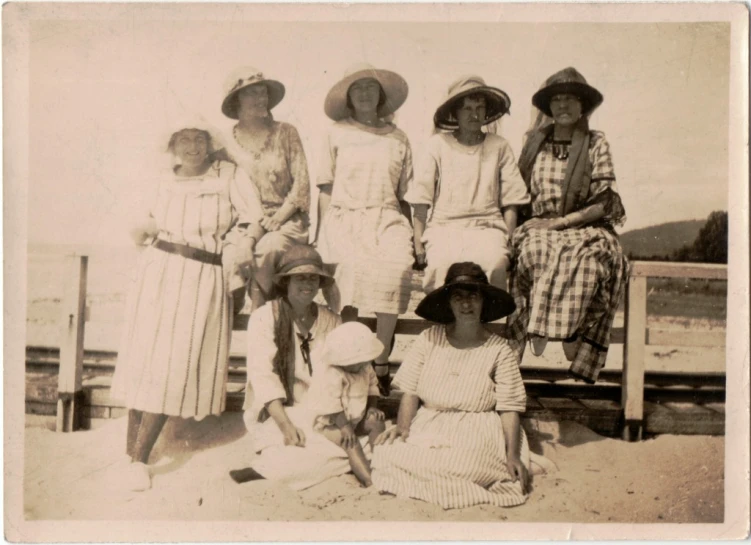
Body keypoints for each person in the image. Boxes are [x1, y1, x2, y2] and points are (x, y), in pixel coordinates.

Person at [111, 118, 260, 491]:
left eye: (199, 139)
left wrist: (242, 244)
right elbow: (141, 222)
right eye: (183, 140)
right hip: (158, 270)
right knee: (143, 360)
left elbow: (254, 219)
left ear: (211, 143)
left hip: (202, 277)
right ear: (172, 145)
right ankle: (134, 458)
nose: (192, 146)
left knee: (174, 364)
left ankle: (137, 459)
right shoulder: (161, 177)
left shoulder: (229, 174)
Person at [371, 262, 530, 509]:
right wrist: (403, 428)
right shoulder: (429, 338)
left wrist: (512, 455)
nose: (466, 304)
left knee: (463, 466)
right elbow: (411, 391)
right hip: (431, 422)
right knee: (386, 453)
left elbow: (509, 407)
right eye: (458, 297)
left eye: (473, 296)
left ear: (483, 301)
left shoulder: (500, 349)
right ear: (449, 303)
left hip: (477, 427)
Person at [507, 67, 628, 384]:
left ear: (582, 106)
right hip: (539, 225)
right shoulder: (534, 143)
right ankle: (538, 325)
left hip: (584, 226)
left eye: (570, 99)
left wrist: (560, 223)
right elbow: (517, 192)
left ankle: (572, 334)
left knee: (589, 264)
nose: (563, 106)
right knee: (534, 254)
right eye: (557, 99)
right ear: (548, 107)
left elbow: (604, 202)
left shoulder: (595, 143)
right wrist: (530, 223)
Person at [230, 245, 377, 490]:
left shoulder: (331, 320)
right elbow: (262, 376)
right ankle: (273, 466)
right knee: (307, 450)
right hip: (282, 411)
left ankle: (280, 466)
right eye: (300, 277)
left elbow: (347, 368)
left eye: (313, 278)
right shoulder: (265, 318)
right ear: (286, 281)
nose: (307, 284)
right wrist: (286, 425)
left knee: (357, 441)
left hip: (326, 410)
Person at [316, 63, 415, 396]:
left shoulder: (399, 138)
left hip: (386, 217)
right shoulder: (335, 133)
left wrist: (414, 235)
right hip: (345, 217)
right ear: (348, 97)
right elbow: (326, 188)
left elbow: (405, 195)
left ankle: (382, 360)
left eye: (370, 88)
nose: (364, 94)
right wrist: (323, 231)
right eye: (357, 89)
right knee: (348, 273)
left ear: (381, 96)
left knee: (397, 269)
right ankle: (351, 362)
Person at [407, 75, 530, 292]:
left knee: (494, 265)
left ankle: (483, 324)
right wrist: (419, 244)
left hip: (488, 227)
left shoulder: (499, 146)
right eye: (467, 108)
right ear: (455, 112)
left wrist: (509, 239)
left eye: (480, 107)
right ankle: (442, 325)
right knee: (440, 267)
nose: (474, 114)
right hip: (444, 228)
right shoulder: (436, 145)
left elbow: (512, 199)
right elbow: (420, 200)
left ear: (486, 112)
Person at [220, 67, 312, 311]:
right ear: (236, 100)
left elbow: (302, 185)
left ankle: (260, 322)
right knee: (228, 258)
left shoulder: (286, 132)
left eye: (263, 93)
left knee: (266, 251)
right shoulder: (225, 142)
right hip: (244, 221)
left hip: (285, 221)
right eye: (251, 94)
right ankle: (227, 322)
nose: (260, 99)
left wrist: (277, 218)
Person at [307, 322, 386, 487]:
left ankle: (382, 464)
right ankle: (368, 479)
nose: (360, 365)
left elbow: (372, 387)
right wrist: (345, 427)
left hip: (356, 417)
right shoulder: (332, 373)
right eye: (355, 362)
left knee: (376, 422)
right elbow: (331, 405)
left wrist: (372, 407)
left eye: (363, 360)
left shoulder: (365, 368)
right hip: (333, 423)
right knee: (351, 443)